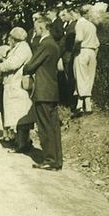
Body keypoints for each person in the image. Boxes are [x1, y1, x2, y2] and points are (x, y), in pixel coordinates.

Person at [24, 19, 63, 170]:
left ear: (42, 27)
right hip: (52, 90)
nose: (35, 31)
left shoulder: (45, 44)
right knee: (53, 127)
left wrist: (26, 69)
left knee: (45, 126)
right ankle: (57, 160)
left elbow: (30, 66)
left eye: (36, 28)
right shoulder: (54, 44)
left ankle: (49, 159)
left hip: (43, 91)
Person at [0, 27, 34, 152]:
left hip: (18, 87)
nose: (9, 40)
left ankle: (22, 144)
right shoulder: (18, 47)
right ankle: (21, 142)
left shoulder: (23, 48)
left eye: (10, 38)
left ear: (15, 39)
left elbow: (12, 64)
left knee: (21, 116)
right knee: (17, 115)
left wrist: (0, 66)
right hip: (14, 86)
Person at [72, 7, 99, 116]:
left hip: (82, 51)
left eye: (73, 14)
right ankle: (87, 105)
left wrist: (74, 47)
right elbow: (97, 43)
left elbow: (79, 38)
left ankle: (79, 106)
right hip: (92, 52)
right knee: (89, 78)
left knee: (80, 77)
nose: (72, 16)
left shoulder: (79, 23)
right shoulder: (91, 25)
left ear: (77, 13)